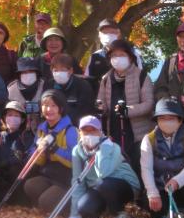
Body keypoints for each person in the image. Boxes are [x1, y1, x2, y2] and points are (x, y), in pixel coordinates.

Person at [67, 115, 140, 218]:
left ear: (100, 132)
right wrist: (75, 213)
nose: (89, 135)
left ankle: (118, 213)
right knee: (84, 209)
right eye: (85, 131)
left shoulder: (112, 147)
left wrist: (101, 147)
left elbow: (103, 172)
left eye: (93, 131)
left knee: (104, 184)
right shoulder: (77, 150)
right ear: (79, 132)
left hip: (124, 184)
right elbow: (77, 180)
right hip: (98, 186)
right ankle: (107, 207)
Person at [96, 39, 154, 173]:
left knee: (138, 168)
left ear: (130, 57)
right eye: (114, 56)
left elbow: (149, 104)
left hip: (137, 134)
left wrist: (128, 111)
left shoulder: (142, 76)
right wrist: (100, 107)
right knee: (118, 168)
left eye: (122, 55)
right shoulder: (106, 79)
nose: (117, 59)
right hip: (114, 131)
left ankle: (140, 192)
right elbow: (101, 102)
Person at [140, 99, 184, 218]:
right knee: (156, 214)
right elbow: (146, 168)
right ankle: (166, 213)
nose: (167, 122)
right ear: (157, 120)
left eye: (171, 118)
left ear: (180, 120)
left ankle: (183, 210)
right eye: (162, 118)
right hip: (160, 187)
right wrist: (153, 193)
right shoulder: (149, 139)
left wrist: (177, 181)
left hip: (183, 188)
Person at [23, 90, 79, 213]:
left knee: (45, 202)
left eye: (53, 106)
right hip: (49, 173)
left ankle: (66, 205)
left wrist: (55, 149)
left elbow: (75, 159)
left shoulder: (70, 130)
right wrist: (38, 152)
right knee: (30, 185)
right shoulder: (42, 129)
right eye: (45, 105)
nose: (49, 109)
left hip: (66, 177)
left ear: (61, 108)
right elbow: (35, 154)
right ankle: (47, 204)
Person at [0, 101, 35, 203]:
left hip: (18, 178)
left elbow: (27, 159)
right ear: (5, 118)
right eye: (9, 115)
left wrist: (9, 162)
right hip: (2, 177)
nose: (12, 118)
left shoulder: (26, 137)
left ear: (22, 119)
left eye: (16, 116)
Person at [85, 20, 142, 94]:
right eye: (104, 33)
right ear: (99, 36)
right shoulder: (95, 56)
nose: (108, 35)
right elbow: (87, 80)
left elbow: (141, 77)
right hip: (101, 100)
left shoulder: (133, 53)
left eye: (111, 32)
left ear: (118, 33)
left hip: (128, 98)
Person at [44, 53, 95, 127]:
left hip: (77, 127)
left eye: (63, 70)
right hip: (53, 126)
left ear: (70, 70)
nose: (59, 73)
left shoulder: (83, 85)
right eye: (56, 70)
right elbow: (44, 106)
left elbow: (85, 112)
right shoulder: (49, 85)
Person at [7, 57, 44, 132]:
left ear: (37, 73)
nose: (28, 74)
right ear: (19, 74)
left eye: (31, 71)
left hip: (41, 129)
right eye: (24, 72)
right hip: (18, 130)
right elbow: (8, 113)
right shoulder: (11, 89)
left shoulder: (44, 86)